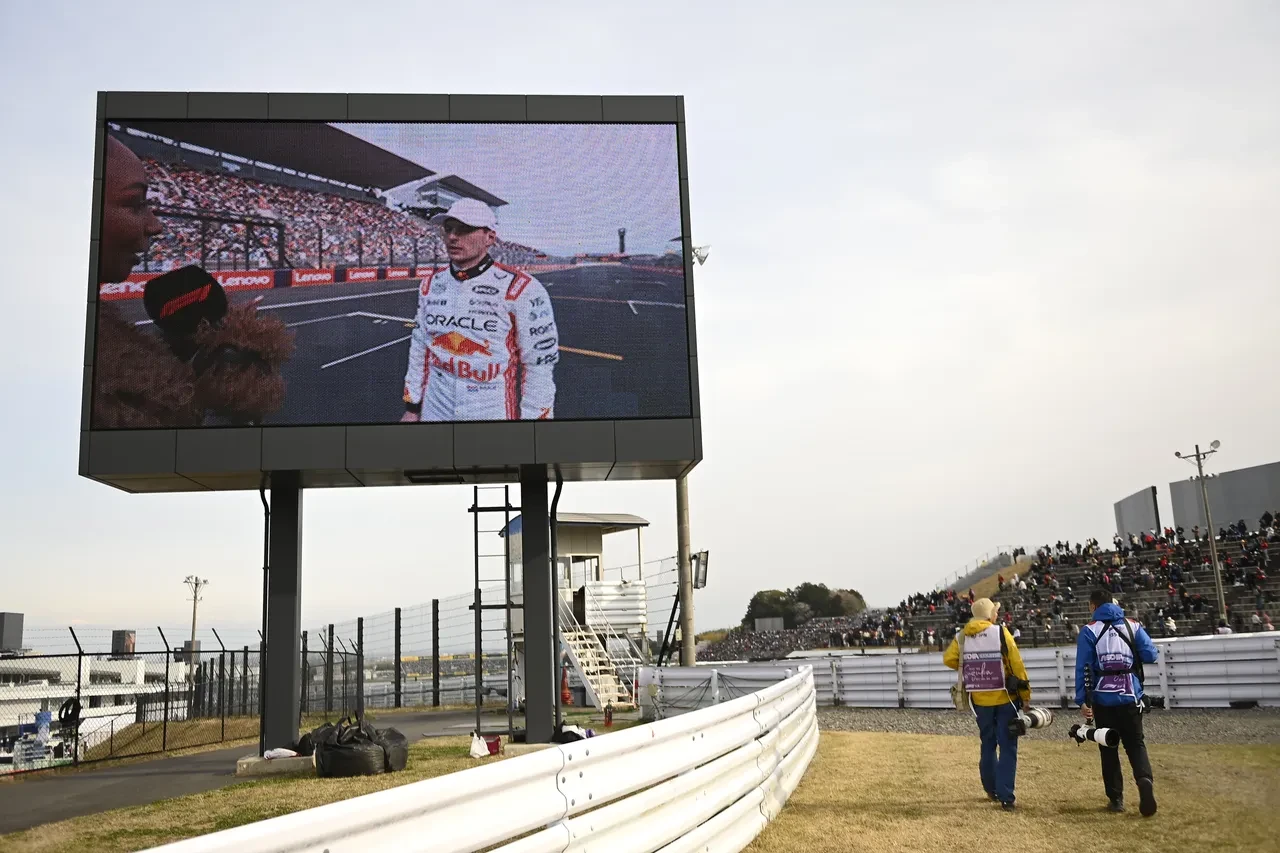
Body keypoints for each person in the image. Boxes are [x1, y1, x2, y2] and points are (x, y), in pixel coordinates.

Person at [401, 198, 557, 422]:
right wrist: (412, 406)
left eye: (465, 229)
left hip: (490, 412)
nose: (453, 236)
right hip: (435, 408)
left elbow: (539, 366)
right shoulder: (430, 285)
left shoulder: (522, 288)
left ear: (490, 238)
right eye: (449, 228)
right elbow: (420, 349)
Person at [1075, 589, 1159, 817]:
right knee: (1135, 744)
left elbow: (1083, 666)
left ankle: (1116, 799)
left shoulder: (1089, 631)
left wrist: (1082, 700)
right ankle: (1144, 781)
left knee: (1108, 749)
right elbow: (1152, 655)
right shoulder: (1133, 625)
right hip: (1131, 695)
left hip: (1103, 699)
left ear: (1093, 606)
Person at [943, 598, 1030, 811]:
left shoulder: (963, 635)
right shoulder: (1000, 632)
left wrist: (968, 666)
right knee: (1008, 746)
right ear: (990, 614)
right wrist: (1025, 693)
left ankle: (991, 789)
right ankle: (1006, 797)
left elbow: (948, 659)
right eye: (995, 611)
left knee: (987, 743)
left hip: (979, 700)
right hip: (1005, 697)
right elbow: (1017, 664)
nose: (997, 615)